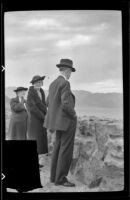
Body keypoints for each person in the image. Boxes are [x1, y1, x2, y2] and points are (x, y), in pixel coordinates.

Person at [44, 58, 77, 187]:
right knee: (66, 150)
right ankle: (61, 179)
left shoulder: (52, 84)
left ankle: (53, 177)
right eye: (70, 72)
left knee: (57, 148)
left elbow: (48, 102)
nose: (70, 75)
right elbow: (66, 104)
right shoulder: (65, 83)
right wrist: (73, 115)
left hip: (56, 123)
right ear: (67, 70)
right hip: (67, 122)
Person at [27, 75, 48, 167]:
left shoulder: (42, 91)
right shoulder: (30, 93)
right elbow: (32, 108)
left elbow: (43, 104)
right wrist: (43, 116)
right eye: (37, 82)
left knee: (40, 139)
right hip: (34, 119)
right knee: (35, 138)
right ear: (33, 83)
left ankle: (39, 161)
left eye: (40, 82)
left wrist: (46, 113)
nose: (39, 84)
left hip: (42, 118)